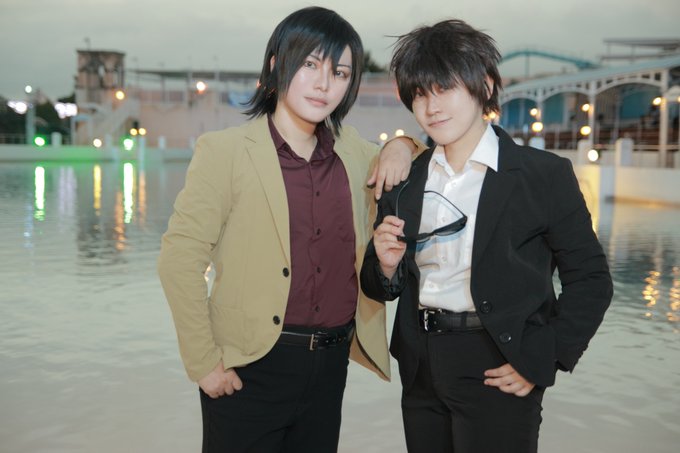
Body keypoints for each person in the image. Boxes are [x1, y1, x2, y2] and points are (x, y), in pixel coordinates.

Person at [158, 6, 424, 453]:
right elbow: (179, 260)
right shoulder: (224, 152)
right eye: (310, 65)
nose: (324, 84)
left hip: (331, 362)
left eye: (340, 73)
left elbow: (419, 159)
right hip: (250, 366)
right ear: (276, 64)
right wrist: (204, 363)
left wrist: (400, 144)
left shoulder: (354, 154)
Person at [360, 19, 613, 453]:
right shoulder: (405, 179)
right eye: (419, 94)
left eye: (445, 88)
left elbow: (591, 280)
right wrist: (383, 266)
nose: (431, 107)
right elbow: (380, 286)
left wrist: (543, 357)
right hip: (420, 364)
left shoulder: (543, 175)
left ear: (486, 85)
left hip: (499, 359)